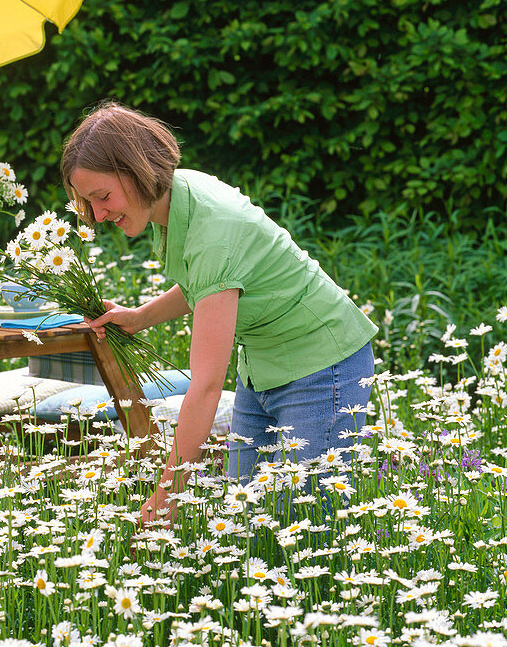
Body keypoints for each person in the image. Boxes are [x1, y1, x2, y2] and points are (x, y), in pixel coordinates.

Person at [60, 102, 377, 523]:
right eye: (89, 202)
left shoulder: (213, 229)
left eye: (102, 197)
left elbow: (207, 385)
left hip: (322, 366)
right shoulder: (177, 197)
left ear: (137, 170)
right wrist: (138, 317)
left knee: (305, 528)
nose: (99, 215)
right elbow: (206, 284)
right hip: (262, 368)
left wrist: (167, 493)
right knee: (247, 522)